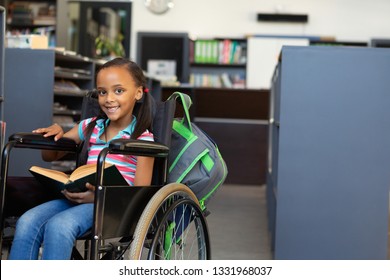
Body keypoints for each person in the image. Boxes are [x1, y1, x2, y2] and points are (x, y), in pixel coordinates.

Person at [9, 58, 154, 260]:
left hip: (111, 207)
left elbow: (139, 195)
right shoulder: (91, 126)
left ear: (138, 92)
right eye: (103, 92)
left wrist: (97, 197)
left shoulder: (142, 138)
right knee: (27, 221)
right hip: (76, 197)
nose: (109, 99)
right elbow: (50, 155)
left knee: (59, 226)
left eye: (118, 91)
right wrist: (55, 136)